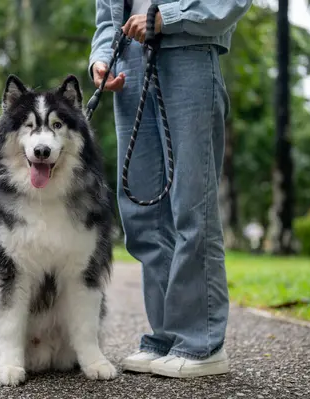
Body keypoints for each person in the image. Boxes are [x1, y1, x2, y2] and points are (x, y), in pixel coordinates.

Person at [88, 0, 252, 378]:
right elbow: (105, 18)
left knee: (192, 208)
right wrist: (101, 58)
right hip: (128, 63)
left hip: (187, 53)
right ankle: (166, 336)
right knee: (141, 214)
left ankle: (201, 343)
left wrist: (169, 18)